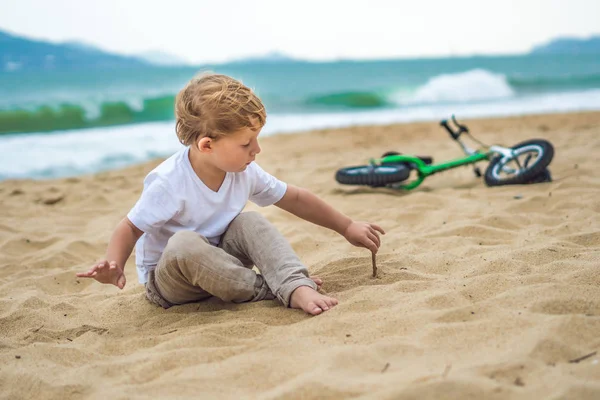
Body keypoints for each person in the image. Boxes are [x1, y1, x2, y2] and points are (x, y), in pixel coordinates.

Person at [76, 73, 384, 315]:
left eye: (256, 139)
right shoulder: (169, 182)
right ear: (207, 145)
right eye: (246, 143)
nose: (257, 150)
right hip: (173, 281)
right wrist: (114, 264)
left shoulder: (244, 171)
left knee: (250, 222)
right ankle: (273, 289)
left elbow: (295, 198)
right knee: (184, 244)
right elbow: (129, 227)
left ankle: (291, 282)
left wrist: (346, 226)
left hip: (225, 266)